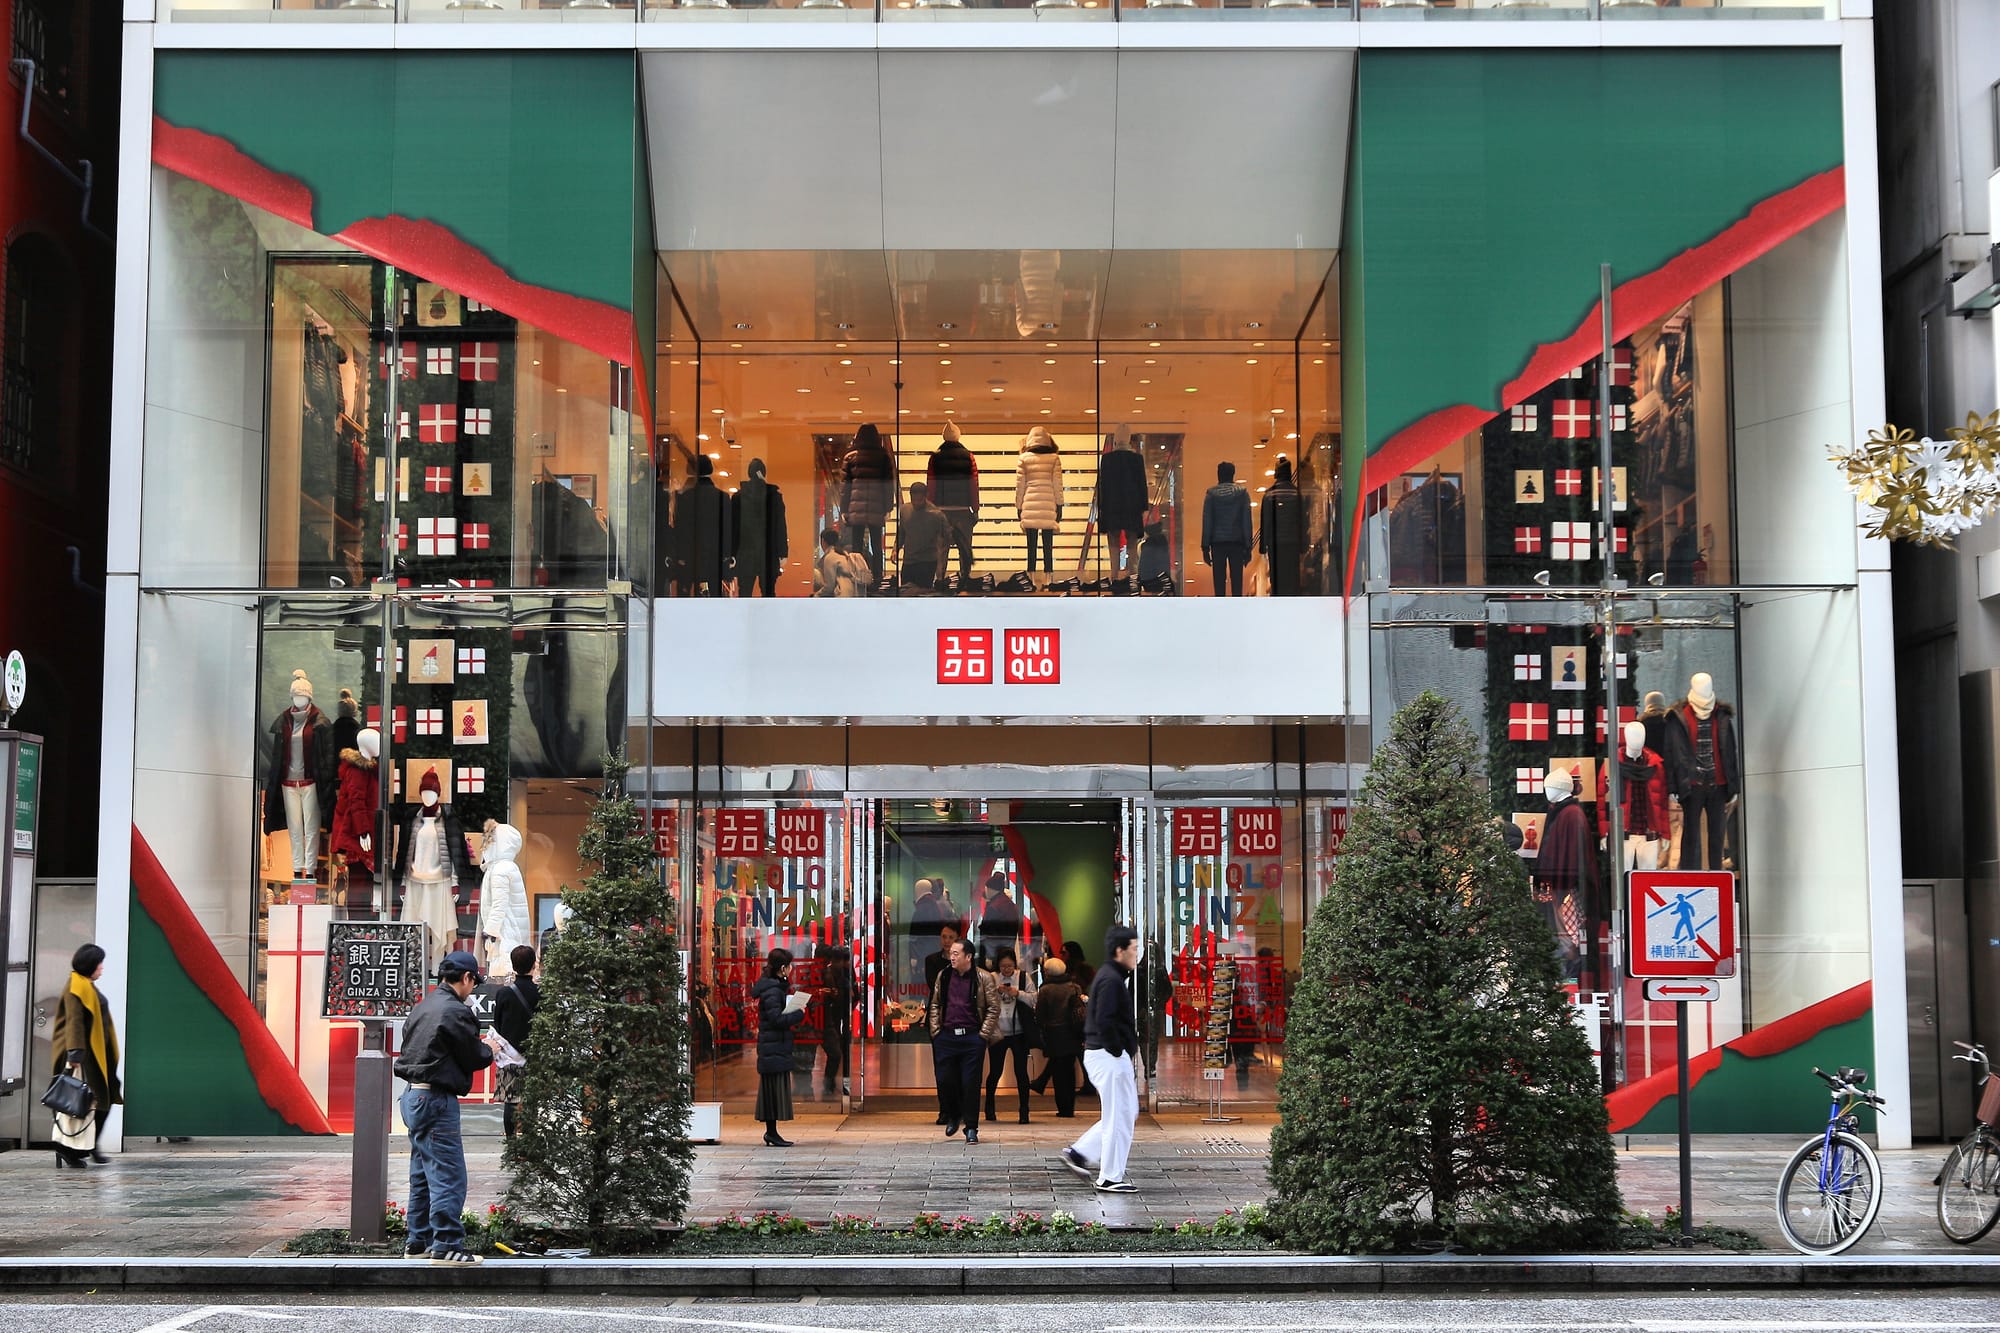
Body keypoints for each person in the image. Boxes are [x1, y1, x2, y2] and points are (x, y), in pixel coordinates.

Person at [394, 949, 495, 1264]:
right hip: (436, 1099)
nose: (472, 990)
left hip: (412, 1096)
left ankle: (418, 1242)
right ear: (466, 978)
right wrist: (489, 1049)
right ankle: (447, 1246)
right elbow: (472, 1055)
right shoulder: (455, 1010)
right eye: (473, 983)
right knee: (449, 1175)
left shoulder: (423, 1007)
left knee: (422, 1173)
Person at [1060, 925, 1142, 1193]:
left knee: (1125, 1112)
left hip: (1106, 1055)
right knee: (1120, 1115)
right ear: (1120, 951)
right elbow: (1105, 1020)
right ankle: (1109, 1176)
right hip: (1107, 1056)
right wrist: (1118, 1050)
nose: (1137, 954)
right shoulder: (1110, 979)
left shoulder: (1111, 976)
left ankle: (1080, 1153)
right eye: (1133, 949)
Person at [51, 943, 120, 1168]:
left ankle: (89, 1147)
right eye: (99, 963)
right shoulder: (76, 987)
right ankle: (68, 1150)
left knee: (102, 1099)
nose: (102, 967)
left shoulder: (86, 985)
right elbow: (75, 1023)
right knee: (84, 1103)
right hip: (83, 1057)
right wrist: (75, 1054)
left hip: (96, 1055)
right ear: (90, 965)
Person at [927, 937, 999, 1143]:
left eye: (956, 953)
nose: (952, 956)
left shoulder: (983, 977)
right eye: (951, 953)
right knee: (944, 1080)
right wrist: (936, 1032)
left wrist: (982, 1036)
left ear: (969, 956)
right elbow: (935, 1004)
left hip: (972, 1038)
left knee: (970, 1083)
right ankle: (954, 1114)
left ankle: (971, 1127)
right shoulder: (944, 975)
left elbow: (993, 1008)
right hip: (946, 1037)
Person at [753, 947, 807, 1147]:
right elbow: (776, 1018)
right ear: (783, 968)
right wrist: (798, 1013)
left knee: (772, 1090)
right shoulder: (773, 991)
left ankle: (772, 1133)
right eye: (789, 965)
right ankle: (771, 1133)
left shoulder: (775, 987)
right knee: (773, 1091)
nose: (792, 969)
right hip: (772, 1047)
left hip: (774, 1047)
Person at [488, 945, 539, 1140]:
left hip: (509, 1055)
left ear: (512, 965)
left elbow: (498, 1024)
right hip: (534, 1054)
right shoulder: (540, 992)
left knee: (510, 1100)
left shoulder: (504, 994)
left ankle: (511, 1143)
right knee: (532, 1100)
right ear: (534, 965)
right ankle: (530, 1142)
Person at [983, 950, 1037, 1125]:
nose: (1006, 970)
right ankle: (989, 1107)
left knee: (1021, 1072)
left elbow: (1034, 999)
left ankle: (1024, 1110)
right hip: (998, 1032)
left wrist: (1017, 993)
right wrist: (995, 992)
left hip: (1019, 1031)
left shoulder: (1023, 977)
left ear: (1015, 965)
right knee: (995, 1072)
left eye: (1009, 966)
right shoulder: (991, 977)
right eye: (1003, 967)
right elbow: (982, 998)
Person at [926, 421, 981, 584]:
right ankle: (964, 578)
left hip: (941, 509)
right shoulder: (968, 456)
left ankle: (940, 579)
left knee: (941, 549)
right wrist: (975, 508)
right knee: (964, 547)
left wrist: (930, 508)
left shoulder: (935, 457)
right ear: (958, 436)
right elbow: (973, 484)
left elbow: (932, 485)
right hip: (963, 509)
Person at [841, 423, 895, 582]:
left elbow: (845, 487)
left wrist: (844, 509)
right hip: (876, 508)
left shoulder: (851, 457)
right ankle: (877, 578)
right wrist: (888, 507)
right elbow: (888, 485)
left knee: (856, 545)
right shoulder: (883, 457)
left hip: (855, 507)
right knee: (876, 545)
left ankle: (857, 577)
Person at [1032, 957, 1085, 1118]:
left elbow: (1040, 1015)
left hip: (1055, 1035)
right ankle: (1069, 1108)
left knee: (1059, 1075)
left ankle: (1063, 1107)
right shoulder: (1074, 987)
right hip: (1073, 1034)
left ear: (1048, 972)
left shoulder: (1046, 990)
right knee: (1069, 1072)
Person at [731, 457, 789, 598]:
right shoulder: (774, 497)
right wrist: (783, 552)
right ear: (763, 472)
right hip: (768, 553)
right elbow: (780, 526)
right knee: (768, 593)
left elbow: (733, 528)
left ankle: (745, 620)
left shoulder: (738, 497)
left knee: (744, 592)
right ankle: (767, 620)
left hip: (745, 552)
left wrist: (731, 552)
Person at [1015, 427, 1064, 589]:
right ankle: (1049, 578)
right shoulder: (1054, 458)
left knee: (1031, 544)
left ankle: (1031, 577)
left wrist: (1019, 506)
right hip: (1049, 504)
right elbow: (1058, 485)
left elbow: (1019, 486)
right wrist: (1060, 505)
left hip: (1029, 503)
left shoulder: (1023, 458)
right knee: (1048, 544)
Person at [1201, 461, 1253, 597]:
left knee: (1219, 584)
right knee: (1237, 583)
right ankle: (1236, 611)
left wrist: (1205, 547)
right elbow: (1246, 521)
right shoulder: (1242, 494)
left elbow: (1207, 522)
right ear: (1233, 474)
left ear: (1219, 474)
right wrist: (1248, 547)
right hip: (1237, 542)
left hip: (1217, 544)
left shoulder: (1211, 495)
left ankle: (1221, 611)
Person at [1258, 455, 1305, 597]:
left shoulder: (1270, 494)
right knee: (1292, 576)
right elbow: (1302, 520)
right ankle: (1292, 600)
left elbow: (1265, 521)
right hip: (1293, 541)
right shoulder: (1296, 493)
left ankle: (1278, 600)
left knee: (1277, 576)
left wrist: (1263, 545)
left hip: (1275, 543)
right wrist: (1303, 543)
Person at [896, 481, 950, 593]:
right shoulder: (904, 510)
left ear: (925, 497)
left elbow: (946, 538)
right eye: (913, 500)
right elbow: (902, 532)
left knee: (922, 594)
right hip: (909, 561)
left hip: (927, 561)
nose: (916, 503)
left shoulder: (936, 515)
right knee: (906, 593)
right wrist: (895, 549)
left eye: (919, 500)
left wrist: (940, 567)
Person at [819, 944, 854, 1098]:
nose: (840, 964)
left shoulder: (845, 973)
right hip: (827, 1018)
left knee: (840, 1052)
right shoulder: (825, 974)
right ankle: (829, 1084)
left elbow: (853, 994)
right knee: (835, 1052)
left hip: (838, 1016)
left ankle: (833, 1083)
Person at [1137, 940, 1173, 1083]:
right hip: (1151, 1009)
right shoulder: (1158, 969)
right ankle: (1150, 1066)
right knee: (1150, 1039)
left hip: (1146, 1009)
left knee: (1145, 1039)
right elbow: (1168, 990)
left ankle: (1149, 1065)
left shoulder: (1142, 969)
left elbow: (1167, 990)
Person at [976, 871, 1020, 963]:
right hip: (1008, 952)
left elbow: (988, 934)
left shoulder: (994, 907)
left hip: (993, 955)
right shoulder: (1010, 905)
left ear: (990, 889)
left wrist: (988, 956)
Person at [813, 527, 871, 598]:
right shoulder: (844, 554)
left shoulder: (830, 557)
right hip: (855, 594)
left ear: (823, 541)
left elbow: (829, 587)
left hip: (842, 595)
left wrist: (816, 595)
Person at [923, 925, 961, 993]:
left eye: (951, 937)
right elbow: (934, 986)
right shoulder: (931, 960)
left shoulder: (962, 961)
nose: (946, 941)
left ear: (958, 939)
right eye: (944, 937)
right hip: (938, 1001)